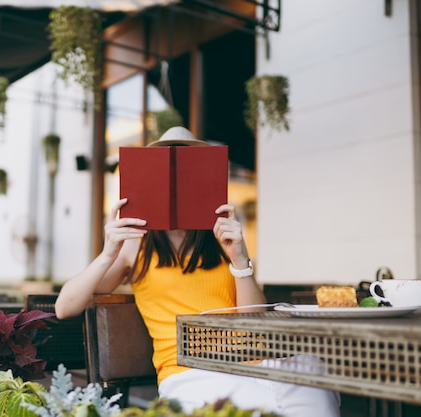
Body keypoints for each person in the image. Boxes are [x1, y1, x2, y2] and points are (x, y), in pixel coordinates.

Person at [55, 127, 341, 417]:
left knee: (313, 372)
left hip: (254, 361)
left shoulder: (221, 238)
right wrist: (108, 252)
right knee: (262, 408)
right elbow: (65, 306)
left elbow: (254, 322)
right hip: (190, 369)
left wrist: (240, 257)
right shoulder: (135, 246)